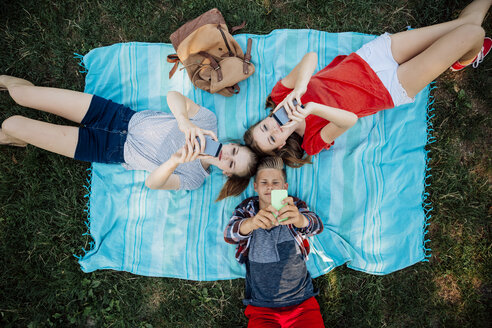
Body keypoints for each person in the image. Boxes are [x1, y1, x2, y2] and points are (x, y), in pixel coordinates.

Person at [244, 0, 492, 167]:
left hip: (371, 58)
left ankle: (463, 55)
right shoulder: (311, 141)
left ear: (265, 118)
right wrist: (311, 110)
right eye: (272, 138)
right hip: (391, 88)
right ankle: (466, 53)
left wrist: (299, 89)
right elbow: (349, 120)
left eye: (265, 127)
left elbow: (310, 57)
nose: (273, 129)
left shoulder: (280, 96)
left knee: (465, 26)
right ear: (281, 146)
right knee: (473, 33)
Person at [0, 75, 256, 198]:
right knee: (19, 96)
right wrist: (184, 121)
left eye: (231, 163)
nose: (226, 155)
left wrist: (176, 160)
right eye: (234, 150)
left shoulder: (194, 178)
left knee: (12, 123)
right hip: (116, 116)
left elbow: (153, 184)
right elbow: (173, 97)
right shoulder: (207, 122)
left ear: (227, 173)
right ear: (233, 144)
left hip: (106, 149)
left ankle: (15, 136)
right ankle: (20, 91)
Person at [224, 156, 325, 327]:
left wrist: (300, 220)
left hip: (302, 302)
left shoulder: (293, 206)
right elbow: (229, 235)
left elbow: (317, 226)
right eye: (264, 182)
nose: (270, 186)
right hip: (262, 307)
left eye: (275, 182)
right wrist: (252, 223)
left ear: (285, 188)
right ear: (255, 187)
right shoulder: (247, 209)